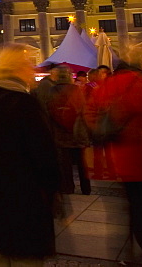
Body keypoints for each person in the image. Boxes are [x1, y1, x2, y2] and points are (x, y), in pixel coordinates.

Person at [0, 44, 60, 266]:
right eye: (27, 64)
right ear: (18, 68)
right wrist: (52, 191)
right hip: (24, 199)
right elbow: (44, 156)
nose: (32, 69)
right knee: (24, 258)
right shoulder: (26, 104)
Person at [86, 49, 142, 266]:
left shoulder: (106, 86)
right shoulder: (140, 83)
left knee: (127, 206)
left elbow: (91, 113)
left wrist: (104, 133)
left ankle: (128, 248)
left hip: (117, 156)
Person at [44, 65, 91, 195]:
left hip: (60, 132)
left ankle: (68, 188)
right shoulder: (76, 89)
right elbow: (82, 109)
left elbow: (49, 108)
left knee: (65, 163)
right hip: (76, 130)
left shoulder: (52, 90)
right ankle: (86, 188)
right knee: (82, 162)